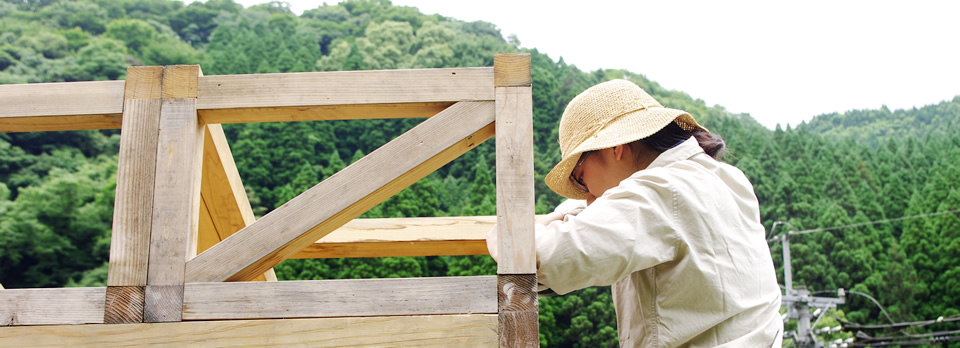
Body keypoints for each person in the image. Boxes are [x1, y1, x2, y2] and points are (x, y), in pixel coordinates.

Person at [487, 79, 783, 347]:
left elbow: (540, 254)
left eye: (579, 177)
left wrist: (499, 235)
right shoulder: (726, 178)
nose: (587, 196)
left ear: (615, 147)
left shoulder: (659, 193)